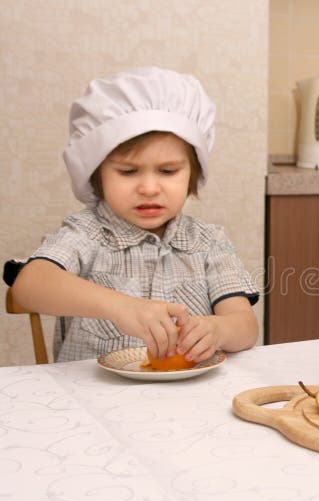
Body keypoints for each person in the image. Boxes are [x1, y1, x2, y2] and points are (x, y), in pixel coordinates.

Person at [6, 67, 259, 363]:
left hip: (190, 400)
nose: (149, 188)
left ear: (193, 174)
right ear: (96, 174)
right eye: (128, 171)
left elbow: (246, 326)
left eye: (168, 171)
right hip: (94, 401)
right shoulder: (87, 232)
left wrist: (219, 330)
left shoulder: (208, 242)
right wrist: (121, 307)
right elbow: (28, 286)